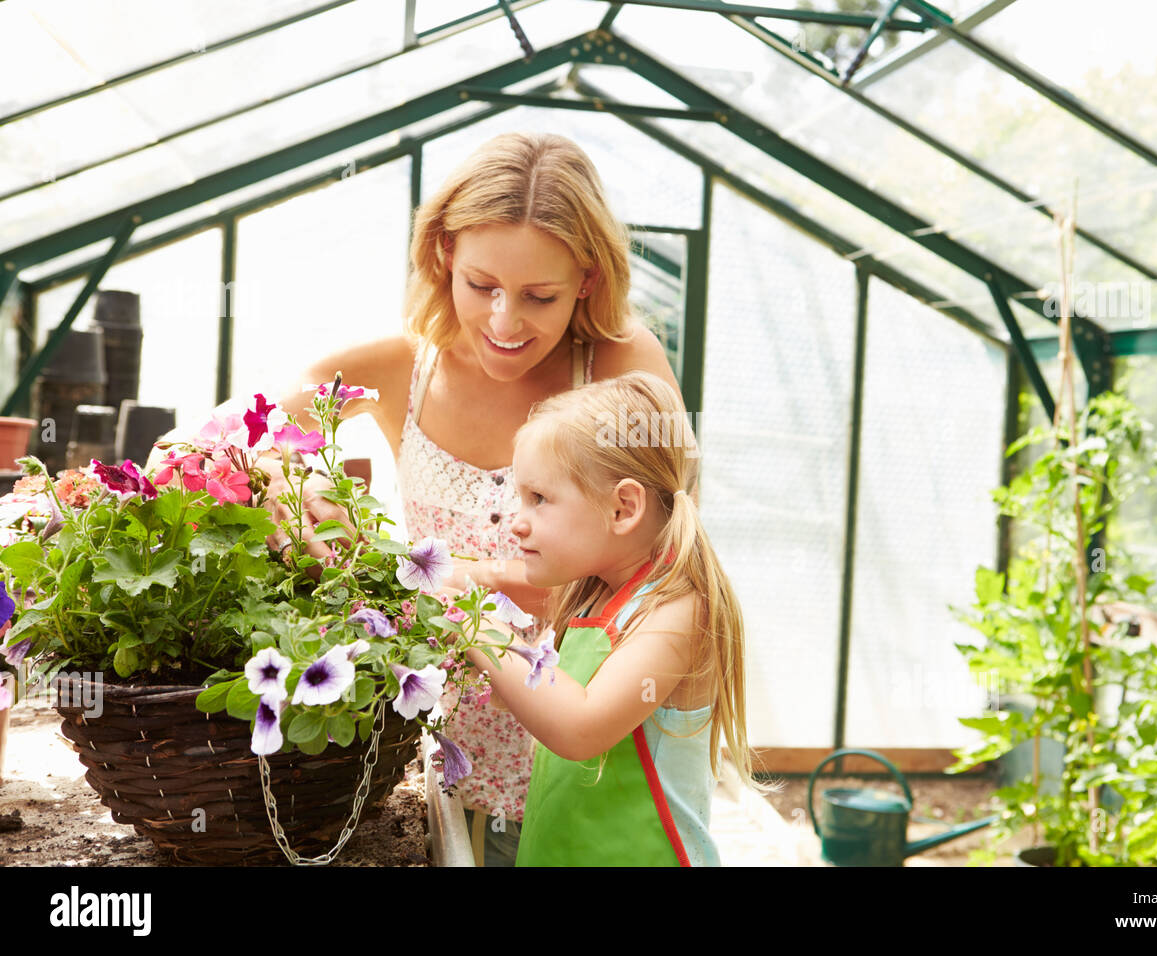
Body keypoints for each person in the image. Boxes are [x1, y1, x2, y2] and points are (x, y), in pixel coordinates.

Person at [148, 132, 683, 866]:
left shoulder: (623, 367)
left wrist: (435, 577)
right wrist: (282, 483)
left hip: (593, 761)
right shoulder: (403, 368)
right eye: (481, 284)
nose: (503, 321)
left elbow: (663, 568)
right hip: (448, 755)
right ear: (442, 257)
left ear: (588, 280)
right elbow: (188, 448)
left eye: (540, 296)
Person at [464, 371, 764, 866]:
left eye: (538, 498)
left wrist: (473, 623)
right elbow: (529, 696)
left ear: (623, 507)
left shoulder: (676, 611)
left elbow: (580, 728)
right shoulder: (589, 597)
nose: (517, 521)